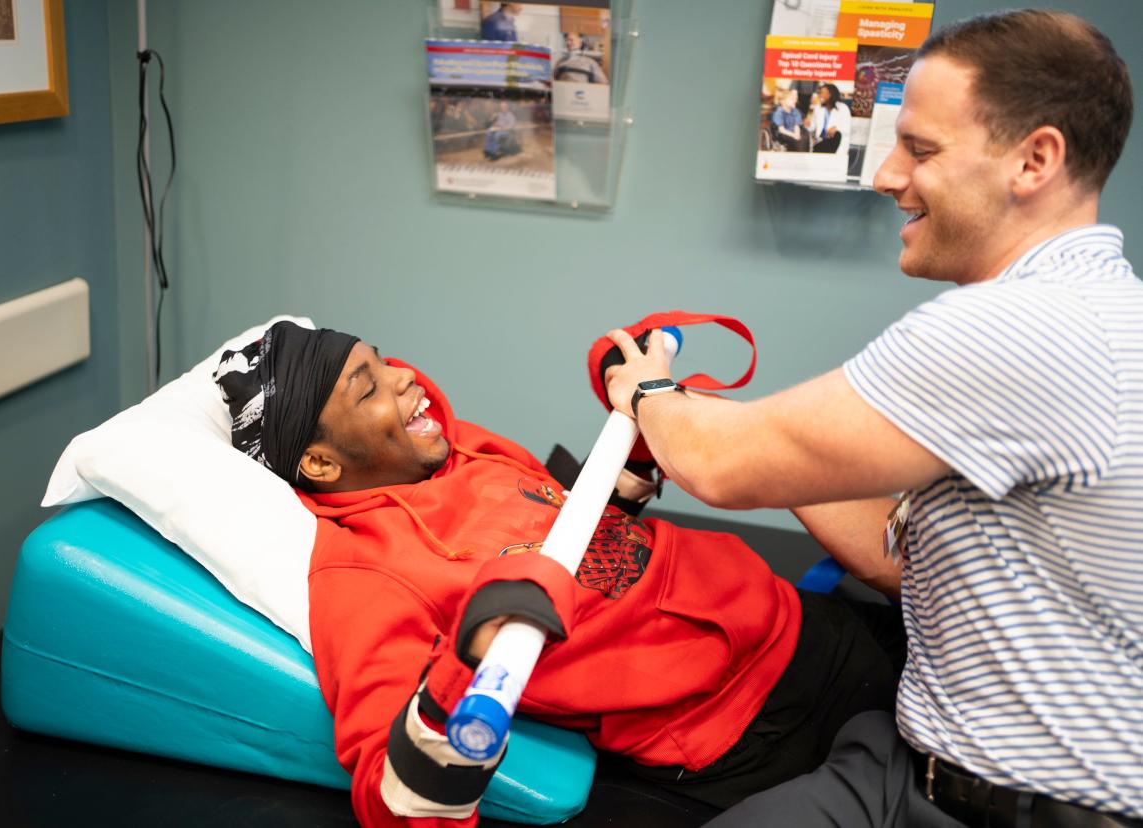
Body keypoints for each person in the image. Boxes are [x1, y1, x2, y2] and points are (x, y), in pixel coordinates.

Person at [604, 9, 1140, 827]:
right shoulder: (1089, 310)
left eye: (920, 150)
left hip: (1026, 807)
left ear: (1035, 159)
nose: (888, 176)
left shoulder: (1030, 328)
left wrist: (645, 394)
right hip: (905, 755)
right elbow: (901, 558)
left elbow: (725, 467)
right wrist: (733, 433)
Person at [213, 321, 905, 827]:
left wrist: (635, 451)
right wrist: (472, 649)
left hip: (804, 621)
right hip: (745, 732)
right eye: (368, 389)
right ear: (324, 465)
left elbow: (583, 529)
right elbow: (395, 800)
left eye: (382, 358)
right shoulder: (358, 575)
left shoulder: (461, 449)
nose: (404, 377)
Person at [808, 82, 851, 153]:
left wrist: (836, 129)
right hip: (820, 142)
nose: (820, 95)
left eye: (822, 93)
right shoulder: (818, 108)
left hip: (836, 143)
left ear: (830, 94)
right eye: (819, 93)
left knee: (836, 136)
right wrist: (808, 121)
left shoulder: (843, 108)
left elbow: (847, 127)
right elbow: (812, 127)